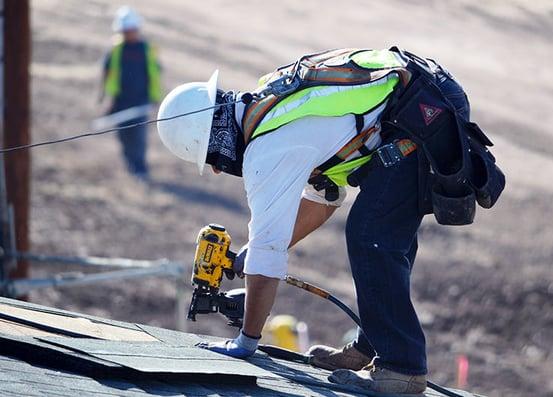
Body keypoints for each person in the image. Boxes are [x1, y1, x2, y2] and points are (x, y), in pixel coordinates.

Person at [156, 47, 504, 395]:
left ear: (217, 145)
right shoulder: (270, 107)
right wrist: (254, 251)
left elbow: (269, 254)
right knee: (381, 233)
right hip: (423, 100)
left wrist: (246, 342)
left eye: (213, 160)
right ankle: (372, 350)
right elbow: (324, 198)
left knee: (371, 235)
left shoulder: (267, 148)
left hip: (421, 115)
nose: (218, 169)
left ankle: (401, 368)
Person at [102, 6, 162, 179]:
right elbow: (109, 75)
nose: (128, 33)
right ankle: (129, 163)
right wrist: (110, 99)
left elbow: (155, 74)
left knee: (138, 136)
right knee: (123, 135)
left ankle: (140, 167)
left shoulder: (146, 49)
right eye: (125, 30)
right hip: (121, 101)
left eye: (131, 30)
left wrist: (154, 97)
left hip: (140, 101)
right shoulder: (116, 50)